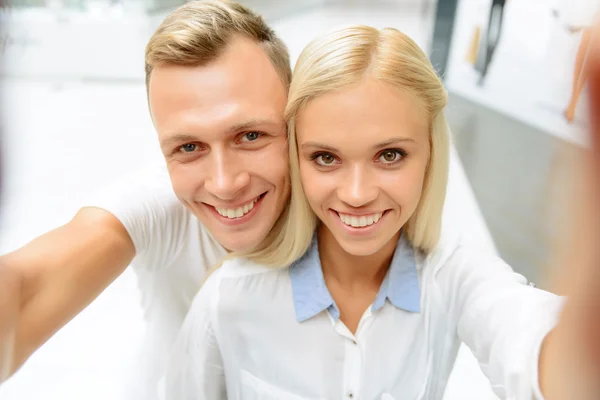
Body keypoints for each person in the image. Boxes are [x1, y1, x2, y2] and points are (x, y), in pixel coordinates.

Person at [165, 24, 600, 399]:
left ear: (432, 152)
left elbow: (534, 345)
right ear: (295, 157)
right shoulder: (230, 297)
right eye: (325, 158)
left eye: (390, 155)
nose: (356, 195)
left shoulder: (453, 276)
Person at [0, 1, 292, 397]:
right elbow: (24, 292)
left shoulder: (348, 199)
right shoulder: (156, 206)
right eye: (189, 147)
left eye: (251, 136)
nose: (224, 184)